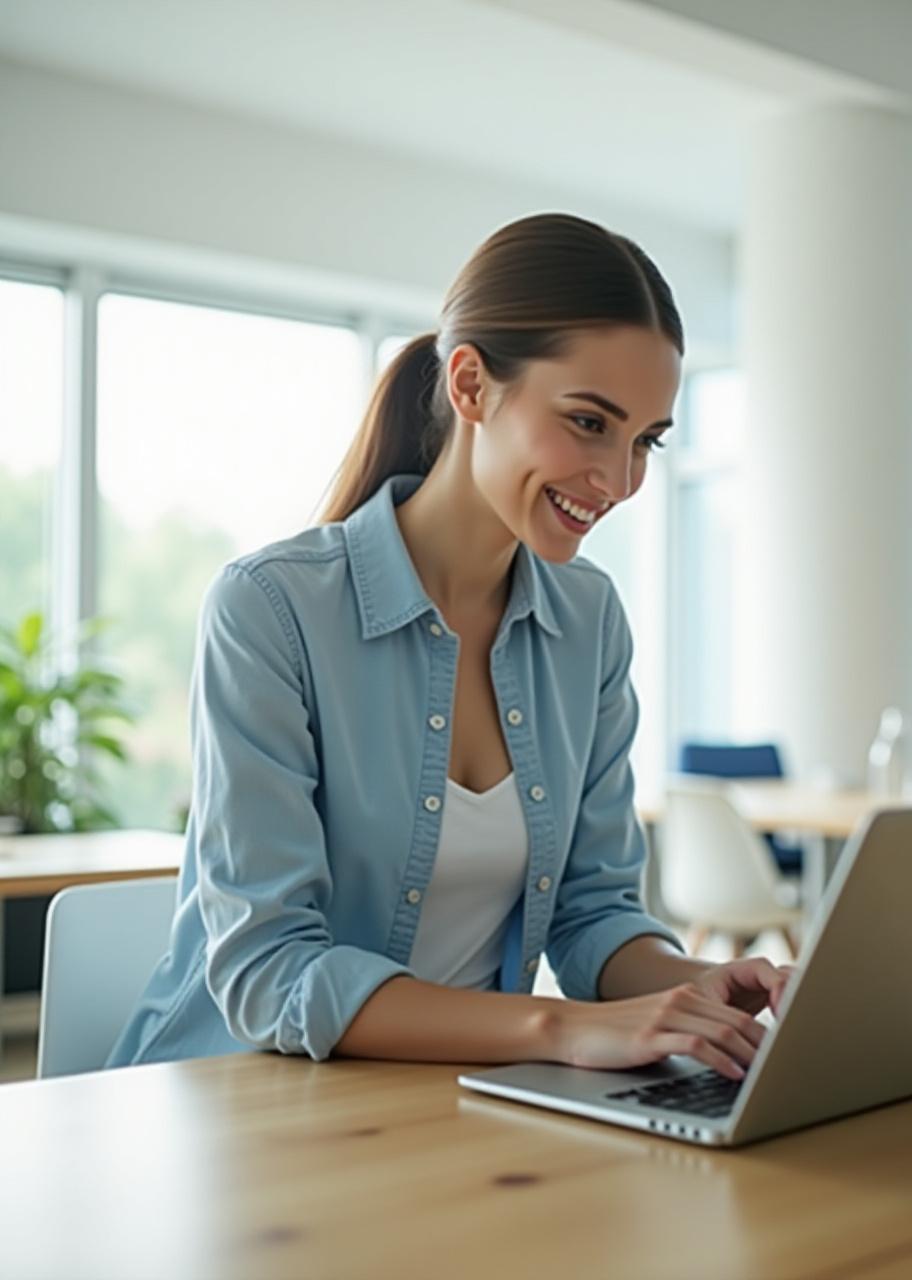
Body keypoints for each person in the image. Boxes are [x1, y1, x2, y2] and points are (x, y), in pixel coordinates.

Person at [107, 213, 790, 1079]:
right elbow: (270, 972)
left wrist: (699, 988)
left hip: (446, 1101)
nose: (620, 480)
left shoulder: (589, 622)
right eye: (589, 422)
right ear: (471, 386)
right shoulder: (272, 609)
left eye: (646, 441)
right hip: (242, 1097)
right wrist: (559, 1029)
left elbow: (592, 915)